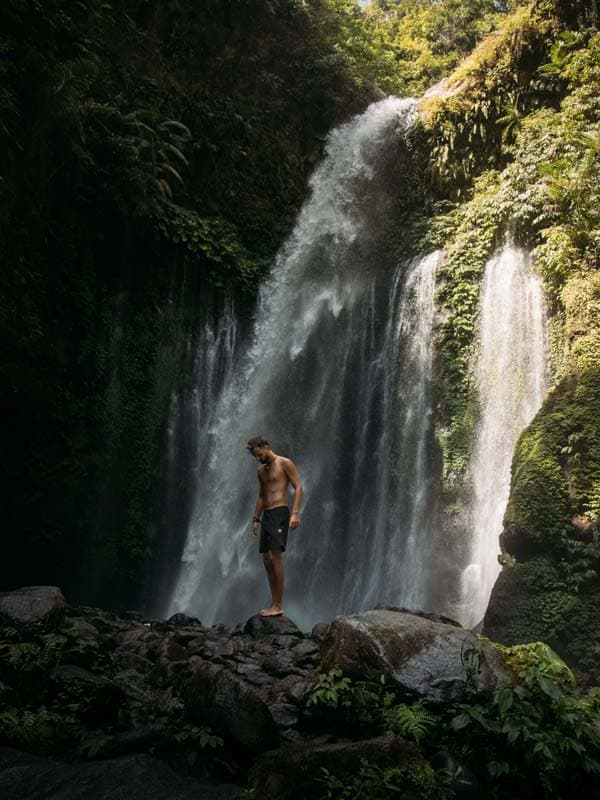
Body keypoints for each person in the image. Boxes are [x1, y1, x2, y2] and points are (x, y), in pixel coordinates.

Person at [246, 435, 303, 617]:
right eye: (255, 456)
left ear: (266, 446)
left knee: (275, 557)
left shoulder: (285, 463)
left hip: (280, 512)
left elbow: (298, 487)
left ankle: (278, 605)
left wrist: (294, 513)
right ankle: (273, 603)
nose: (258, 458)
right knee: (266, 560)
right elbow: (262, 496)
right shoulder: (261, 472)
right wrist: (256, 518)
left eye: (258, 454)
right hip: (268, 515)